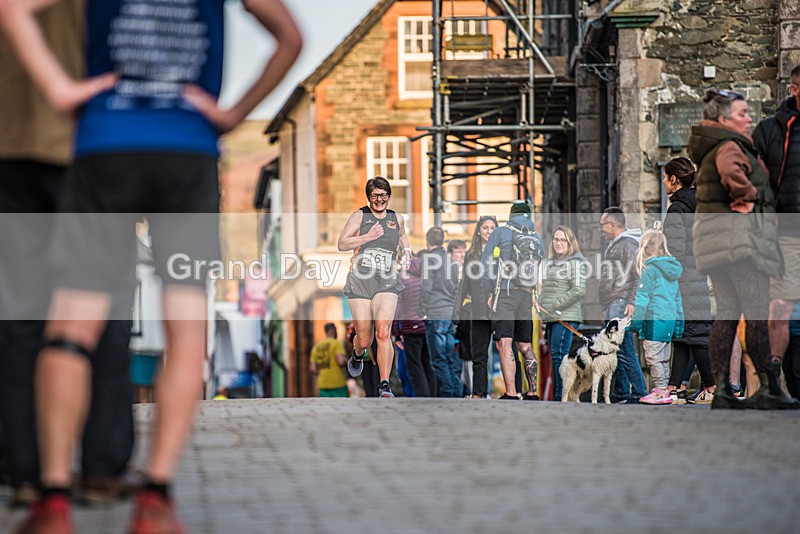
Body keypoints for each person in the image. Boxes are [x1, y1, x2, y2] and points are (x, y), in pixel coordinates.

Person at [0, 1, 303, 532]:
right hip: (186, 152)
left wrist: (60, 90)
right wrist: (232, 114)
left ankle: (51, 500)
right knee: (186, 332)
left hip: (104, 145)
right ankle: (156, 497)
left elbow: (13, 9)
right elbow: (290, 37)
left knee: (70, 325)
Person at [0, 0, 136, 508]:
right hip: (89, 145)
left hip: (10, 146)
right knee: (103, 309)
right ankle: (101, 466)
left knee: (20, 316)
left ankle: (25, 471)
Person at [688, 88, 796, 409]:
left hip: (717, 249)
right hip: (738, 246)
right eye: (742, 113)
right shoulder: (729, 146)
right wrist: (747, 199)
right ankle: (770, 388)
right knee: (757, 314)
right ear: (723, 119)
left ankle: (721, 390)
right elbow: (733, 174)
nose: (749, 119)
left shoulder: (714, 146)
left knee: (727, 316)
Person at [338, 177, 411, 398]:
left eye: (383, 195)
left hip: (387, 279)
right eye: (375, 196)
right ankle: (358, 354)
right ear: (369, 198)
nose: (379, 199)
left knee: (383, 331)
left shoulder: (396, 218)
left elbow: (403, 239)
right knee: (365, 338)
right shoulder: (360, 216)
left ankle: (385, 384)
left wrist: (406, 253)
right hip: (361, 280)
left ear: (389, 196)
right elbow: (342, 243)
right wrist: (367, 237)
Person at [753, 65, 800, 389]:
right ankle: (774, 381)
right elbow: (757, 184)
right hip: (787, 231)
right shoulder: (771, 130)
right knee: (781, 305)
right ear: (795, 90)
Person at [661, 157, 715, 404]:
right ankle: (674, 388)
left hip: (684, 279)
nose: (663, 182)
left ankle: (713, 386)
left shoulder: (676, 209)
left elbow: (676, 251)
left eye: (665, 177)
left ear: (674, 179)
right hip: (698, 274)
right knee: (683, 336)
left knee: (696, 335)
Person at [481, 202, 543, 400]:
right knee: (525, 345)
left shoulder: (501, 232)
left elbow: (486, 261)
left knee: (505, 343)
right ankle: (533, 391)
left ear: (511, 215)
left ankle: (511, 392)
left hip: (505, 293)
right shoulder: (536, 237)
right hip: (526, 295)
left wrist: (489, 291)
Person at [628, 229, 684, 405]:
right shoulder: (671, 271)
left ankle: (660, 390)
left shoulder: (650, 271)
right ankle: (664, 389)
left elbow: (642, 300)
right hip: (669, 321)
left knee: (653, 357)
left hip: (653, 321)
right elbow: (677, 300)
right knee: (664, 358)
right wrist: (679, 325)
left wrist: (635, 323)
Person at [598, 207, 647, 403]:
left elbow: (638, 273)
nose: (601, 229)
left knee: (624, 348)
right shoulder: (615, 245)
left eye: (603, 225)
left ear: (612, 225)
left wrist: (632, 302)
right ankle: (621, 392)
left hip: (620, 303)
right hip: (612, 304)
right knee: (614, 350)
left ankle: (639, 392)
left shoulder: (628, 245)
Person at [536, 226, 587, 402]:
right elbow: (548, 290)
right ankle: (561, 396)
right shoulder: (553, 262)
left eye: (562, 240)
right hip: (552, 317)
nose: (558, 243)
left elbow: (579, 289)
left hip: (566, 316)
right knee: (556, 357)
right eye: (556, 239)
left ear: (570, 242)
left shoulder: (575, 262)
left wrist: (557, 304)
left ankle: (561, 397)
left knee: (560, 357)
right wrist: (542, 306)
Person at [453, 216, 497, 398]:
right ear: (479, 231)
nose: (488, 231)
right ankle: (479, 393)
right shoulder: (472, 255)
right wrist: (457, 312)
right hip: (478, 309)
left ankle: (514, 390)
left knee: (507, 350)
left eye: (492, 227)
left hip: (499, 308)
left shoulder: (503, 252)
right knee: (479, 355)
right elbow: (465, 284)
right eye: (485, 227)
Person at [418, 228, 461, 397]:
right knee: (448, 359)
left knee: (438, 360)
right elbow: (456, 288)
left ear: (427, 242)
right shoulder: (451, 261)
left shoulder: (430, 259)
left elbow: (426, 287)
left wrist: (421, 310)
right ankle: (456, 394)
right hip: (449, 314)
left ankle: (447, 395)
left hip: (435, 313)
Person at [394, 251, 437, 397]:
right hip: (427, 325)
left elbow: (397, 306)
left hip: (410, 326)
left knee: (414, 367)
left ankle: (423, 398)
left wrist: (396, 332)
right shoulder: (425, 274)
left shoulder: (401, 278)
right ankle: (433, 396)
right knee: (427, 364)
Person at [309, 323, 348, 398]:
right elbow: (340, 361)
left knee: (325, 408)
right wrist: (346, 361)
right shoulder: (336, 343)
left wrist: (323, 373)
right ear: (333, 331)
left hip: (323, 385)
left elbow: (312, 368)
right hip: (338, 384)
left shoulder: (316, 346)